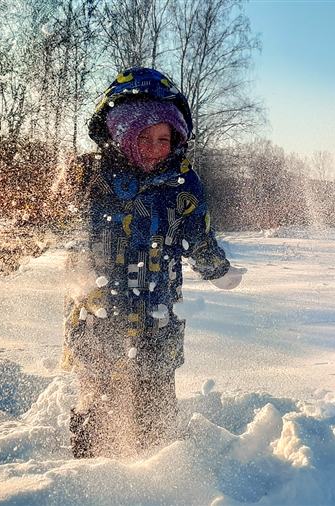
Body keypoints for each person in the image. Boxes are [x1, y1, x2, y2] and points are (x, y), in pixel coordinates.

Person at [56, 67, 245, 458]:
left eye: (165, 138)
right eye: (144, 137)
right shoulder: (88, 177)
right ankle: (87, 481)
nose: (157, 148)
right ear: (119, 133)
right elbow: (43, 223)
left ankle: (156, 480)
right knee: (97, 402)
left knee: (154, 409)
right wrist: (0, 257)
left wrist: (218, 271)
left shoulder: (183, 183)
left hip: (158, 314)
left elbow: (199, 237)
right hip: (98, 312)